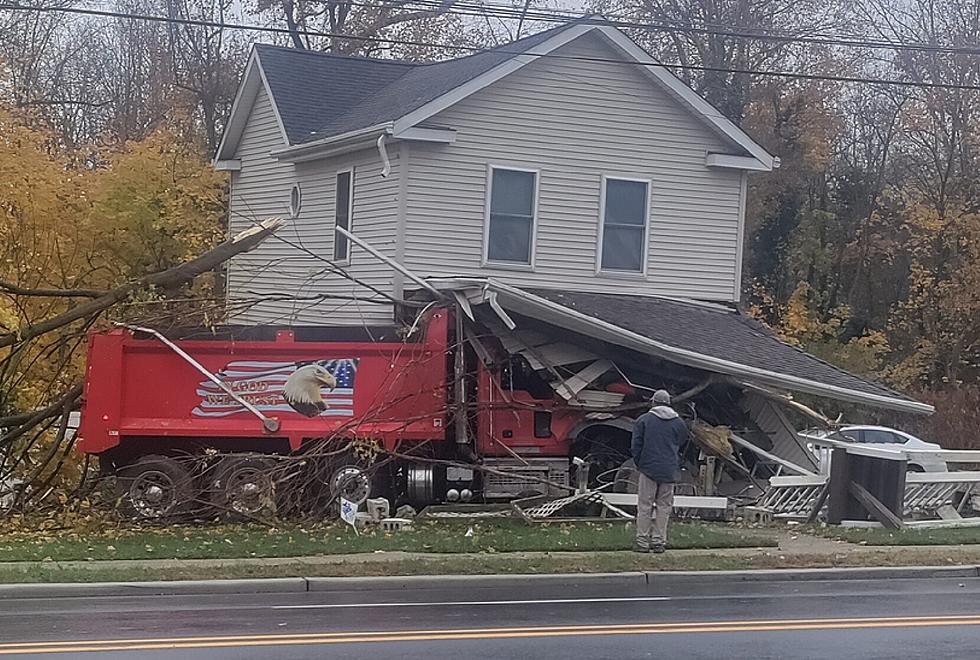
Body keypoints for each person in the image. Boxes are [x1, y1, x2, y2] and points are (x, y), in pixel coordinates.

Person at [630, 389, 689, 553]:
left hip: (648, 468)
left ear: (653, 402)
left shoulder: (644, 420)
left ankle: (642, 541)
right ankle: (659, 541)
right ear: (669, 403)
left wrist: (639, 463)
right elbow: (682, 441)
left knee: (644, 505)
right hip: (669, 469)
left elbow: (636, 446)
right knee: (664, 506)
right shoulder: (679, 423)